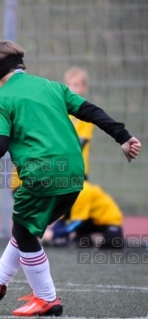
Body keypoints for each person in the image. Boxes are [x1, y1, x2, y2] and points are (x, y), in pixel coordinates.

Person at [0, 40, 141, 317]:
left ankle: (47, 298)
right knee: (25, 228)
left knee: (25, 232)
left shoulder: (0, 98)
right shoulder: (53, 87)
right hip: (75, 176)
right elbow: (91, 111)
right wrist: (123, 137)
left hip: (42, 174)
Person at [42, 67, 124, 249]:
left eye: (76, 85)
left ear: (84, 88)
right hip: (61, 168)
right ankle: (68, 234)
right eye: (69, 84)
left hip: (78, 170)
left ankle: (59, 233)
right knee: (63, 203)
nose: (72, 88)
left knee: (78, 200)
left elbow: (79, 142)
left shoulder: (84, 113)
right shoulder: (62, 112)